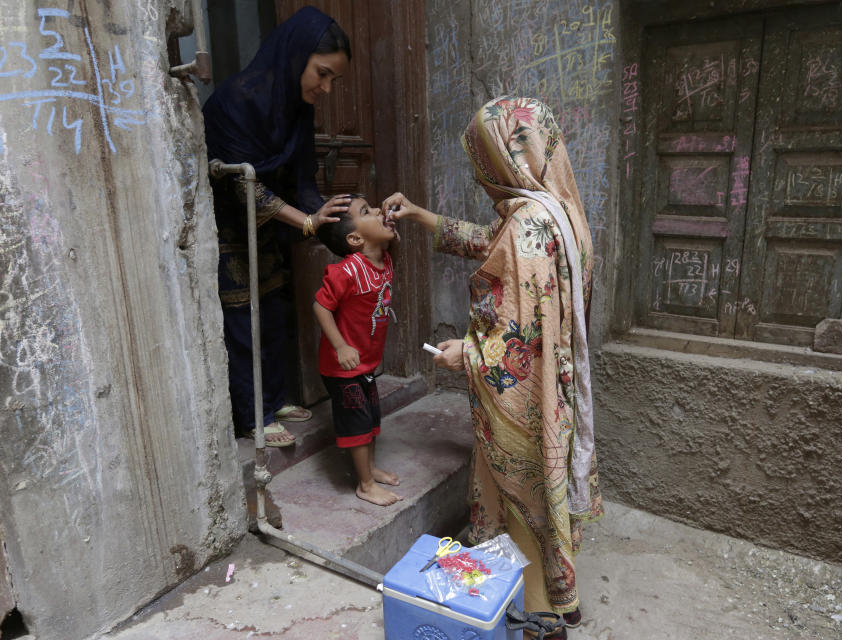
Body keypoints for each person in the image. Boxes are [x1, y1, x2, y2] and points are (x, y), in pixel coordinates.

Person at [384, 96, 603, 635]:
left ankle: (538, 618)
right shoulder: (558, 210)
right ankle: (556, 596)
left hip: (524, 405)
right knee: (545, 499)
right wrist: (420, 215)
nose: (483, 176)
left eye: (483, 161)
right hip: (559, 392)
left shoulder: (528, 227)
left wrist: (467, 354)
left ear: (504, 159)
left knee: (522, 501)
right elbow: (492, 244)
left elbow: (517, 347)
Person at [202, 8, 353, 446]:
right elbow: (241, 184)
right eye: (321, 74)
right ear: (296, 56)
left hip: (271, 229)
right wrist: (306, 220)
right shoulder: (236, 100)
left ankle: (277, 397)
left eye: (333, 81)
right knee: (242, 321)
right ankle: (253, 415)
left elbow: (301, 179)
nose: (324, 88)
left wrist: (339, 227)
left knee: (274, 312)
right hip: (230, 228)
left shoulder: (294, 107)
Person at [313, 196, 402, 506]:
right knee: (358, 422)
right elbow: (320, 307)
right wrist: (340, 345)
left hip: (366, 363)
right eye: (367, 211)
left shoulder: (384, 259)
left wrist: (388, 226)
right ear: (354, 238)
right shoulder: (347, 271)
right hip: (342, 367)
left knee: (372, 417)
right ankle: (364, 484)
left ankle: (371, 469)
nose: (379, 210)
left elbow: (388, 238)